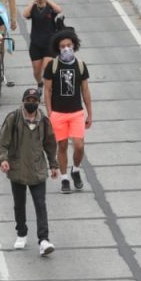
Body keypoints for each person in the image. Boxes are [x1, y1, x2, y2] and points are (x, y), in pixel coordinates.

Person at [0, 88, 59, 257]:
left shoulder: (44, 121)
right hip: (17, 169)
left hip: (38, 170)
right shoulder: (13, 119)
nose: (31, 102)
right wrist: (3, 160)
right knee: (19, 204)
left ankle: (44, 240)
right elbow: (2, 143)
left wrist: (53, 165)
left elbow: (50, 144)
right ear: (23, 101)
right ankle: (21, 233)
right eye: (28, 99)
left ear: (38, 102)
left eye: (34, 100)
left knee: (40, 204)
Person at [43, 29, 92, 194]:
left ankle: (76, 170)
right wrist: (49, 112)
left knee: (79, 146)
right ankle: (64, 179)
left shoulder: (80, 65)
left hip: (76, 113)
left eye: (69, 45)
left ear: (74, 45)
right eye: (62, 46)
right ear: (58, 48)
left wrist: (89, 113)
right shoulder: (53, 66)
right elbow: (47, 90)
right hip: (58, 113)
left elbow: (85, 90)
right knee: (62, 146)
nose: (66, 49)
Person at [23, 0, 63, 94]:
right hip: (36, 44)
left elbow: (59, 10)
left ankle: (48, 90)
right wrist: (33, 1)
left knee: (47, 67)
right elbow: (25, 14)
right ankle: (39, 82)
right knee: (36, 71)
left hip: (49, 44)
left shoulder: (50, 8)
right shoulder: (33, 8)